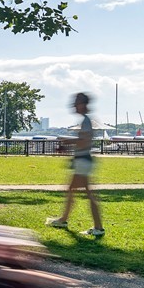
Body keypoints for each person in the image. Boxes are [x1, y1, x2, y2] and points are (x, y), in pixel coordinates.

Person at [47, 92, 105, 237]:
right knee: (72, 190)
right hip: (82, 160)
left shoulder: (86, 121)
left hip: (83, 161)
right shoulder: (86, 121)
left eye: (76, 102)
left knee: (88, 194)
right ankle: (63, 219)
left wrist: (67, 142)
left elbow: (84, 142)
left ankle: (98, 228)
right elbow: (83, 141)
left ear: (83, 105)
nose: (74, 105)